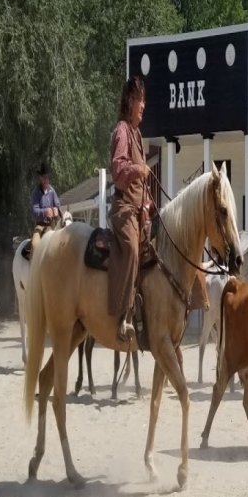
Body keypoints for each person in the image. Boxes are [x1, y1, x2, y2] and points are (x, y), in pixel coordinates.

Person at [108, 75, 155, 342]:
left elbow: (144, 185)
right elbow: (118, 169)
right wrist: (139, 169)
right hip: (122, 209)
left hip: (137, 210)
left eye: (144, 100)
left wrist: (148, 203)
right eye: (139, 100)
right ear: (129, 101)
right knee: (133, 251)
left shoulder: (137, 135)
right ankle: (123, 317)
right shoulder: (122, 131)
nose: (143, 106)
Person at [29, 161, 62, 252]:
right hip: (40, 226)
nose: (46, 180)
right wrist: (45, 212)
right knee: (35, 244)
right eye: (44, 178)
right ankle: (35, 265)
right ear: (40, 178)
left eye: (47, 178)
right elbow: (34, 211)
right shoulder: (36, 193)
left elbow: (57, 205)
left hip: (52, 226)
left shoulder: (52, 191)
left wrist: (57, 210)